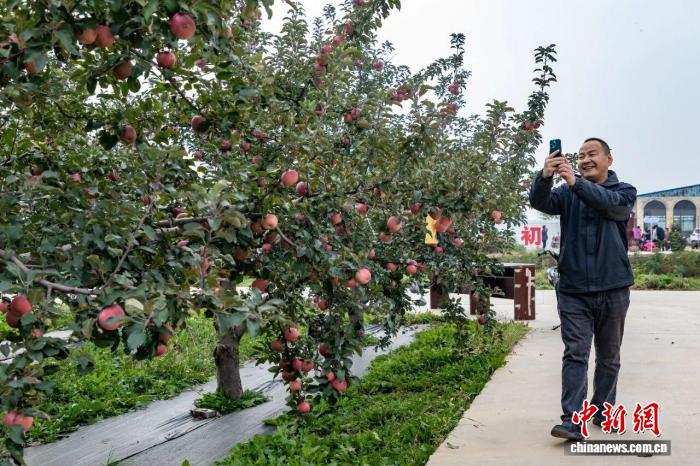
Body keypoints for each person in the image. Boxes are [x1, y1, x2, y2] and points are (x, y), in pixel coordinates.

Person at [529, 137, 637, 441]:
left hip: (614, 287)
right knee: (575, 353)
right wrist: (545, 176)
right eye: (580, 156)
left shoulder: (624, 192)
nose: (585, 159)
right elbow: (540, 202)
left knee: (609, 356)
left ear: (609, 160)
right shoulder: (566, 193)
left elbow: (610, 206)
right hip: (574, 289)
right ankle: (572, 420)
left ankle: (603, 411)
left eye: (592, 154)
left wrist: (575, 183)